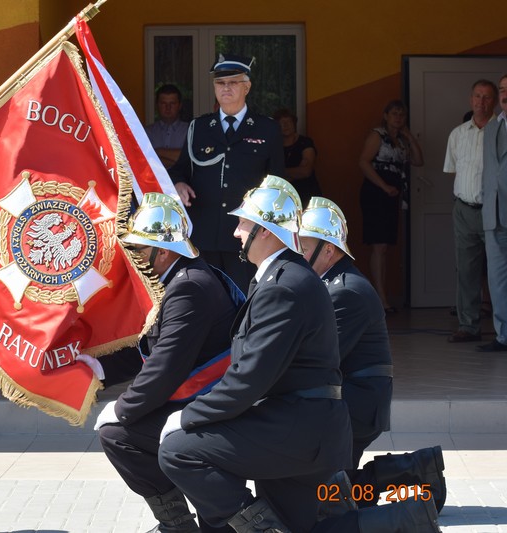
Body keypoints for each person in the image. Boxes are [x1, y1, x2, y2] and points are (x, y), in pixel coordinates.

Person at [156, 176, 352, 532]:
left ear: (265, 230)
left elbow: (249, 379)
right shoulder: (280, 277)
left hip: (300, 429)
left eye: (243, 223)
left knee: (179, 449)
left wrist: (187, 416)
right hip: (299, 423)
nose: (235, 232)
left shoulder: (284, 286)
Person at [80, 192, 240, 533]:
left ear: (163, 252)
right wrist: (98, 369)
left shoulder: (188, 288)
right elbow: (148, 347)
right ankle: (181, 522)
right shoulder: (180, 279)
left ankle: (179, 524)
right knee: (124, 432)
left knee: (118, 434)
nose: (134, 257)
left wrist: (123, 409)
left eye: (139, 249)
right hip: (201, 399)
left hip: (211, 406)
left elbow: (166, 364)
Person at [300, 197, 446, 518]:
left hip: (356, 405)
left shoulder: (344, 291)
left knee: (323, 501)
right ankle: (419, 468)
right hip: (347, 400)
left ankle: (415, 470)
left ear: (328, 249)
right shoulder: (330, 284)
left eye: (304, 245)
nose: (297, 253)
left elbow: (320, 358)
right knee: (325, 496)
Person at [168, 55, 284, 292]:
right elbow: (180, 169)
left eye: (233, 82)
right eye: (220, 83)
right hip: (203, 233)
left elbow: (277, 183)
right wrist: (179, 183)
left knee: (242, 301)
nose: (226, 88)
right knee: (204, 300)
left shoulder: (267, 128)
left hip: (245, 236)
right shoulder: (198, 128)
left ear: (247, 87)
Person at [443, 80, 497, 343]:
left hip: (495, 210)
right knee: (466, 270)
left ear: (494, 101)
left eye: (487, 97)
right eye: (477, 96)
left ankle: (503, 329)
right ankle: (468, 325)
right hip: (464, 209)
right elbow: (454, 170)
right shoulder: (458, 134)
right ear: (470, 99)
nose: (481, 101)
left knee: (500, 270)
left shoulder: (502, 131)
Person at [358, 100, 423, 314]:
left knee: (385, 247)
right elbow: (364, 162)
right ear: (386, 115)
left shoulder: (401, 139)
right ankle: (381, 298)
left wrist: (410, 135)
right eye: (394, 114)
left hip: (392, 194)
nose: (398, 118)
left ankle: (382, 296)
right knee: (379, 246)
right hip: (377, 192)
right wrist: (384, 186)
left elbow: (418, 160)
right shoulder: (377, 135)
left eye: (402, 115)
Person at [480, 73, 507, 353]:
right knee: (497, 280)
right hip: (494, 214)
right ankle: (503, 335)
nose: (504, 95)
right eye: (501, 90)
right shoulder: (491, 128)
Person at [273, 108, 322, 205]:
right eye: (282, 122)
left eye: (288, 121)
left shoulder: (305, 142)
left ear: (294, 123)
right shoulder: (274, 146)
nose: (285, 125)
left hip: (307, 195)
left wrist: (280, 172)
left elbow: (305, 171)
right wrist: (294, 172)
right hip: (283, 198)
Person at [145, 84, 189, 169]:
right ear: (157, 105)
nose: (168, 107)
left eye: (172, 103)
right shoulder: (146, 133)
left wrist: (158, 151)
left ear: (180, 106)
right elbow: (143, 160)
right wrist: (176, 158)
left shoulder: (190, 131)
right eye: (163, 103)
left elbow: (190, 159)